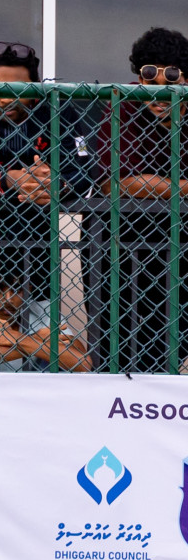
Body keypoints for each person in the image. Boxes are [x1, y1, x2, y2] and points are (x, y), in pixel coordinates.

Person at [0, 42, 95, 321]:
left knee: (42, 330)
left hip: (34, 241)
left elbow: (84, 169)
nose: (5, 98)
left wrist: (57, 186)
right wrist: (8, 179)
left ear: (35, 86)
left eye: (17, 90)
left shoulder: (57, 109)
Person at [92, 28, 188, 372]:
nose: (160, 87)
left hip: (181, 237)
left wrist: (152, 184)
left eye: (172, 75)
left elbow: (137, 181)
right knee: (124, 328)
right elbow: (116, 185)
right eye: (149, 73)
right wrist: (182, 187)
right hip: (125, 238)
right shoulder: (123, 103)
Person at [0, 279, 90, 372]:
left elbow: (82, 363)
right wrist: (38, 341)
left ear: (28, 289)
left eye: (17, 289)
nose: (8, 298)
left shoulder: (46, 310)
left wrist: (13, 338)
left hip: (37, 394)